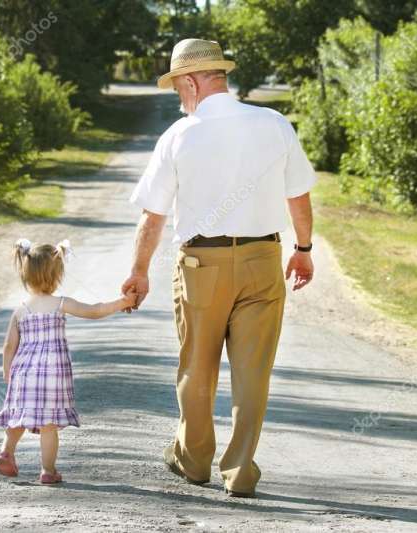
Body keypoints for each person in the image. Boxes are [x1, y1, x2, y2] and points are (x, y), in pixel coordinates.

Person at [122, 38, 317, 498]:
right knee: (253, 372)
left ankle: (193, 462)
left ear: (190, 81)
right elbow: (299, 196)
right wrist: (303, 248)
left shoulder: (178, 135)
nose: (178, 96)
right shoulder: (274, 123)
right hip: (262, 259)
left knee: (197, 366)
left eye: (177, 87)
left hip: (200, 264)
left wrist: (139, 271)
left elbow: (153, 216)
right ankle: (240, 470)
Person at [0, 238, 135, 484]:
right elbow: (95, 310)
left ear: (25, 275)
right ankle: (48, 471)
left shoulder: (21, 310)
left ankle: (7, 451)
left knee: (18, 416)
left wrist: (8, 373)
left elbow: (8, 346)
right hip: (52, 376)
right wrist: (122, 302)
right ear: (57, 274)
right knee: (48, 426)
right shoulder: (60, 304)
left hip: (23, 374)